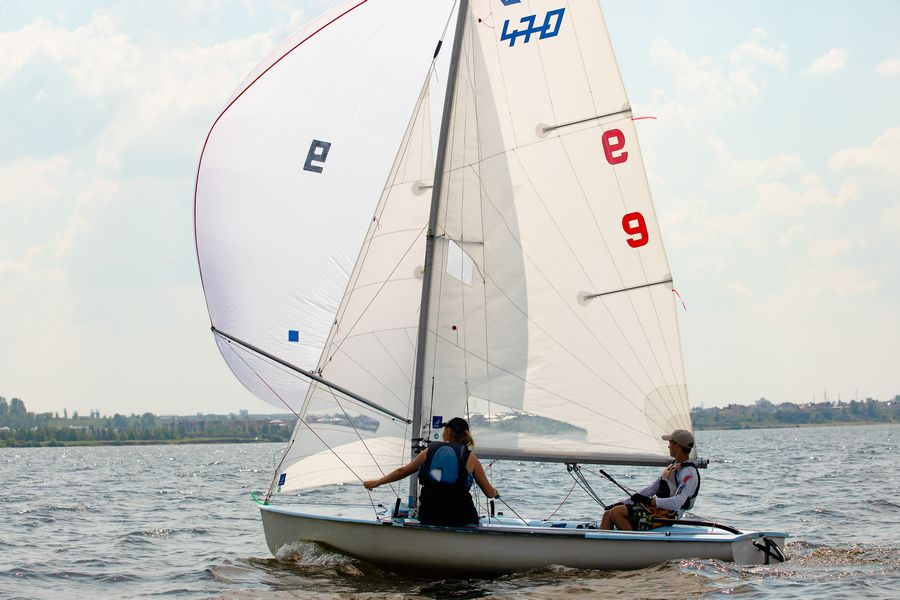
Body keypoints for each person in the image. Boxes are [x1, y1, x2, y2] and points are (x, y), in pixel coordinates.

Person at [363, 417, 498, 526]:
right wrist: (496, 493)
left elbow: (402, 471)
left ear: (446, 432)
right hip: (461, 516)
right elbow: (489, 492)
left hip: (429, 514)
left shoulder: (429, 451)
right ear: (466, 434)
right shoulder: (471, 458)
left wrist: (377, 482)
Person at [600, 429, 701, 531]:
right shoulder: (672, 467)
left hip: (670, 515)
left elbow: (678, 503)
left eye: (670, 443)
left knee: (617, 512)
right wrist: (624, 502)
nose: (668, 446)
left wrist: (651, 501)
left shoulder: (689, 473)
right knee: (608, 513)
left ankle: (634, 541)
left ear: (677, 446)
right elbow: (651, 489)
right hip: (657, 509)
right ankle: (603, 541)